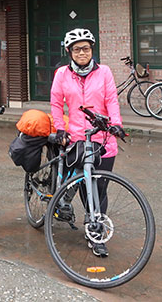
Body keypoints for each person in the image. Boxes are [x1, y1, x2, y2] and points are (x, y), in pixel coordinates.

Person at [50, 28, 127, 258]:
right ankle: (93, 228)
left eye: (85, 48)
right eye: (76, 49)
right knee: (85, 186)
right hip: (76, 138)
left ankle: (96, 229)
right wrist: (60, 128)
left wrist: (117, 124)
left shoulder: (104, 72)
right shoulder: (62, 74)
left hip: (103, 139)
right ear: (69, 52)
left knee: (100, 187)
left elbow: (111, 99)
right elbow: (56, 103)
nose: (81, 52)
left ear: (92, 49)